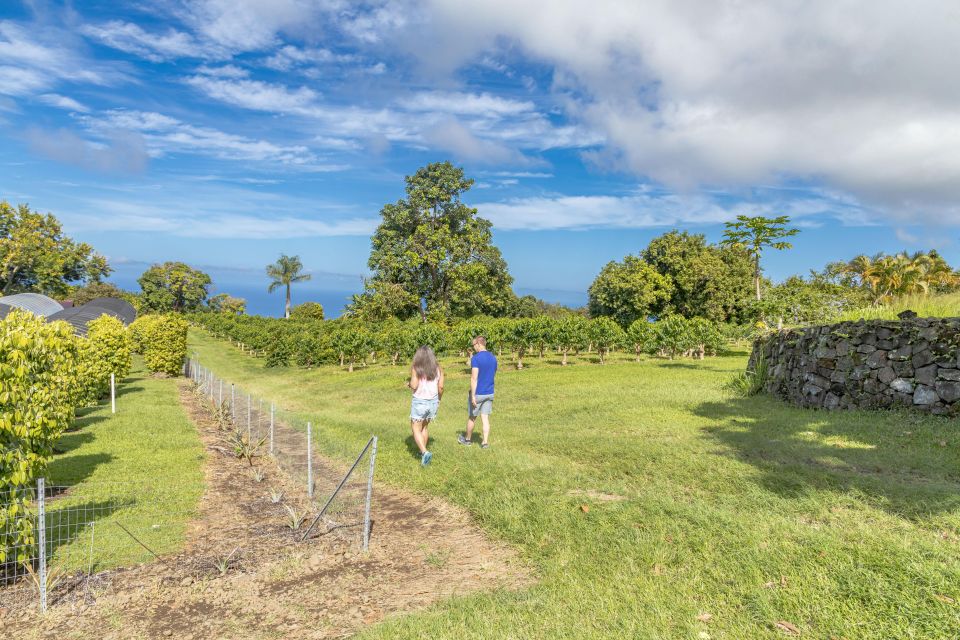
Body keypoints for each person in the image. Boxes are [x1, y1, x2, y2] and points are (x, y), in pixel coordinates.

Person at [459, 335, 497, 449]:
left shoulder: (475, 358)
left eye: (474, 345)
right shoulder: (493, 357)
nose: (473, 347)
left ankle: (467, 440)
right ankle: (485, 442)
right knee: (485, 418)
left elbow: (474, 378)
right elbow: (493, 374)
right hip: (489, 392)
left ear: (479, 344)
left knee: (472, 417)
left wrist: (473, 396)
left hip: (478, 393)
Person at [409, 345, 443, 466]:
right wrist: (439, 400)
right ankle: (421, 451)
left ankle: (424, 452)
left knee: (415, 428)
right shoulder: (437, 368)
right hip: (433, 401)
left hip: (420, 402)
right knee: (424, 428)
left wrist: (409, 383)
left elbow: (414, 385)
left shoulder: (416, 368)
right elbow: (441, 387)